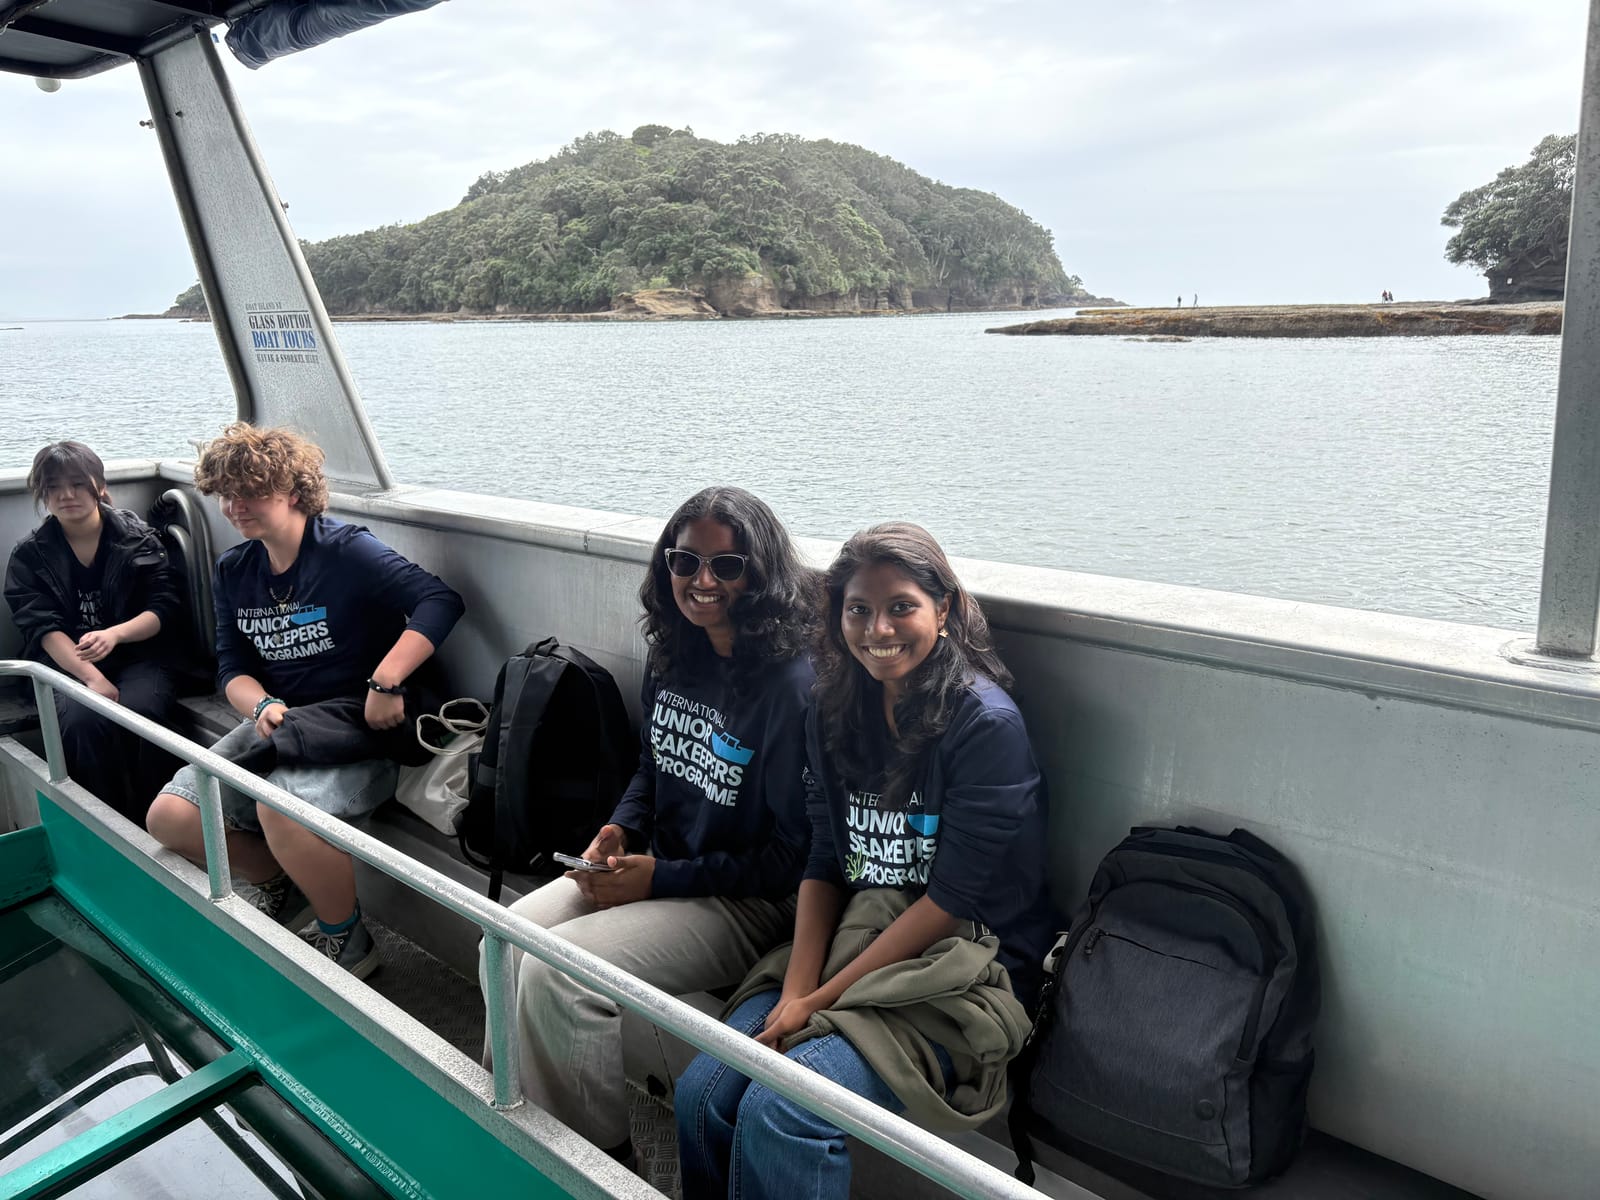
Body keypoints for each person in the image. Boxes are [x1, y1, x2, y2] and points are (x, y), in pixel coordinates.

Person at [674, 522, 1057, 1200]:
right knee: (702, 1092)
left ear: (946, 609)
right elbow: (824, 858)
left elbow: (953, 902)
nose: (879, 628)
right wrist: (794, 995)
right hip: (863, 935)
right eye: (858, 609)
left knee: (784, 1107)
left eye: (901, 606)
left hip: (965, 967)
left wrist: (817, 1003)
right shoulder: (832, 708)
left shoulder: (984, 726)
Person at [479, 486, 817, 1170]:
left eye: (728, 566)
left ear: (762, 575)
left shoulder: (791, 687)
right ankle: (513, 1127)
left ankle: (596, 1169)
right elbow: (653, 766)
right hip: (668, 866)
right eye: (685, 561)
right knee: (504, 936)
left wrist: (661, 879)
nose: (702, 581)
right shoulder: (672, 653)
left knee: (559, 976)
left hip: (751, 901)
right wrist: (620, 826)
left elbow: (793, 857)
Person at [145, 423, 463, 979]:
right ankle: (281, 882)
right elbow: (231, 667)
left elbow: (440, 599)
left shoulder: (344, 551)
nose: (236, 506)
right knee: (169, 816)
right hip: (284, 720)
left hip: (359, 726)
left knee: (281, 808)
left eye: (252, 493)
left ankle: (349, 941)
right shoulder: (234, 569)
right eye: (226, 494)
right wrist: (262, 704)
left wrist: (386, 681)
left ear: (293, 491)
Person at [4, 441, 184, 822]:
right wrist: (91, 677)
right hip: (68, 664)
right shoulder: (30, 556)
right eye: (54, 487)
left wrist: (116, 634)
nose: (67, 495)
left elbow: (163, 609)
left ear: (98, 485)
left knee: (143, 713)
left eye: (77, 484)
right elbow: (42, 628)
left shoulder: (138, 540)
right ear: (43, 493)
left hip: (139, 655)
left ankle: (161, 822)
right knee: (82, 721)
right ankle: (109, 825)